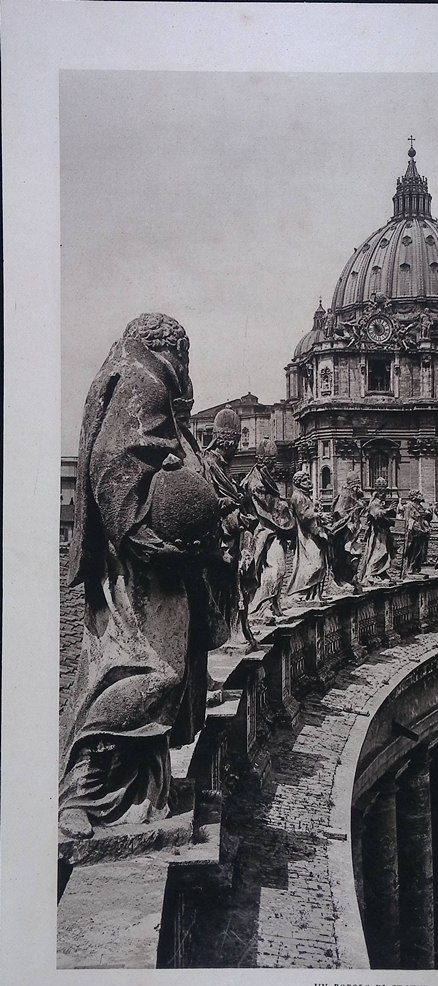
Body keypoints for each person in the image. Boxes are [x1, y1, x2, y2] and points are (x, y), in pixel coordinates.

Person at [58, 313, 226, 840]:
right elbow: (114, 467)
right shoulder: (144, 381)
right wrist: (147, 536)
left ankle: (136, 790)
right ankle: (82, 791)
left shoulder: (128, 375)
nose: (187, 367)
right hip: (142, 562)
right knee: (150, 673)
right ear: (170, 348)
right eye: (186, 354)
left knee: (134, 667)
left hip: (143, 560)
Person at [201, 406, 258, 649]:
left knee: (233, 588)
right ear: (227, 443)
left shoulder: (222, 466)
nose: (237, 451)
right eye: (235, 446)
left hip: (232, 539)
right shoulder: (208, 465)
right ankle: (225, 635)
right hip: (217, 542)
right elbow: (207, 502)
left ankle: (235, 630)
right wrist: (232, 511)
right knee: (221, 588)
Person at [240, 438, 295, 622]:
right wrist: (286, 512)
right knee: (275, 568)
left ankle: (271, 605)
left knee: (277, 569)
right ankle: (259, 609)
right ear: (262, 461)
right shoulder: (255, 482)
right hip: (262, 531)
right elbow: (270, 507)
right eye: (271, 463)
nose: (273, 468)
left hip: (271, 531)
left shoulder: (264, 477)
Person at [287, 470, 330, 603]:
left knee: (320, 563)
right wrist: (316, 514)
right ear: (298, 483)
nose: (309, 482)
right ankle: (300, 592)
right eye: (305, 480)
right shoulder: (297, 496)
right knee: (314, 563)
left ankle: (313, 594)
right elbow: (303, 516)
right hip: (305, 536)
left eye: (308, 479)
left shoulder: (305, 496)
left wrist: (320, 516)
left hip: (312, 534)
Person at [328, 471, 366, 588]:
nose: (358, 488)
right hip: (343, 532)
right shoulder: (345, 493)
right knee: (344, 555)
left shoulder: (354, 495)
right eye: (356, 485)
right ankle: (341, 579)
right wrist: (348, 522)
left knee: (355, 554)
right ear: (352, 484)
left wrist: (360, 506)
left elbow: (354, 509)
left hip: (352, 532)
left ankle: (352, 577)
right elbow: (339, 511)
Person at [357, 478, 397, 585]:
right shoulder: (374, 502)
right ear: (379, 492)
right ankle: (371, 574)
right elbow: (376, 514)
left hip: (383, 532)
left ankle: (381, 572)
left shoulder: (380, 502)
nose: (385, 495)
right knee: (379, 552)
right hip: (377, 534)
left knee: (385, 552)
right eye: (383, 492)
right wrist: (388, 510)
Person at [403, 490, 432, 575]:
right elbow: (409, 520)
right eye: (419, 494)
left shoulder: (420, 506)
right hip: (414, 533)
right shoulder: (409, 506)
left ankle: (417, 568)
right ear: (414, 496)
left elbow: (424, 518)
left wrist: (427, 517)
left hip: (422, 532)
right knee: (413, 550)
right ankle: (410, 568)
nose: (421, 495)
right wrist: (417, 527)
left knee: (420, 551)